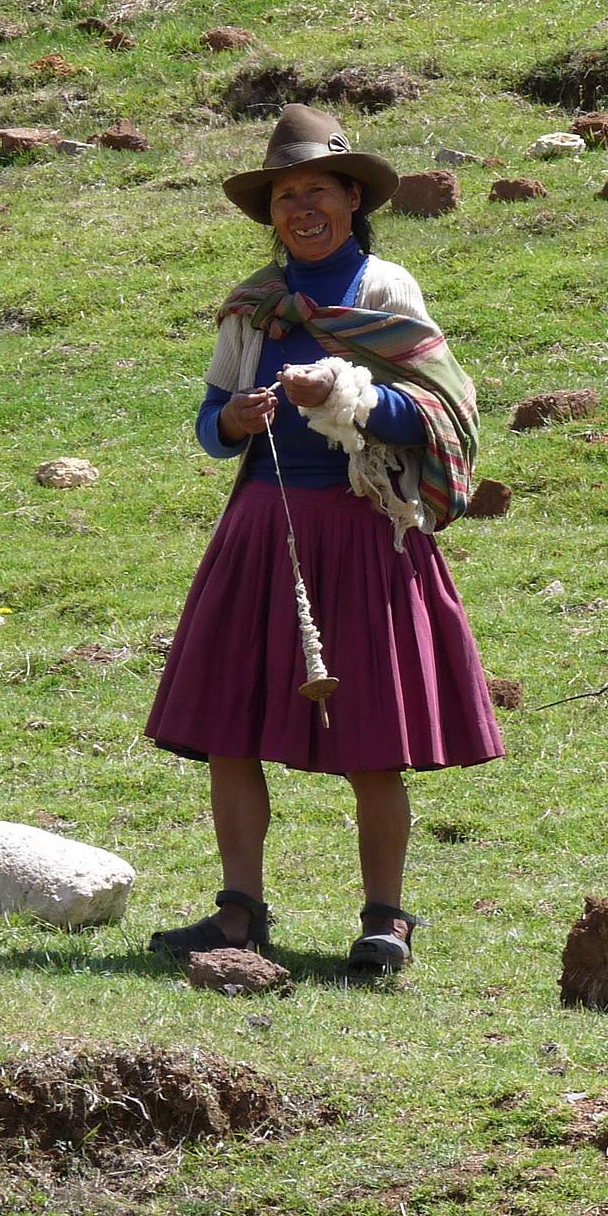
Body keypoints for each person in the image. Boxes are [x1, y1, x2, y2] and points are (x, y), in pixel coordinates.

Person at [144, 104, 503, 973]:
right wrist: (230, 417)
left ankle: (387, 921)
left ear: (352, 198)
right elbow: (207, 425)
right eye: (284, 194)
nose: (301, 208)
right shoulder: (252, 308)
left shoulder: (387, 292)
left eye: (318, 191)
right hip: (262, 527)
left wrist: (342, 395)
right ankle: (239, 913)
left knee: (372, 736)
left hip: (364, 530)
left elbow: (436, 414)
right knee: (231, 727)